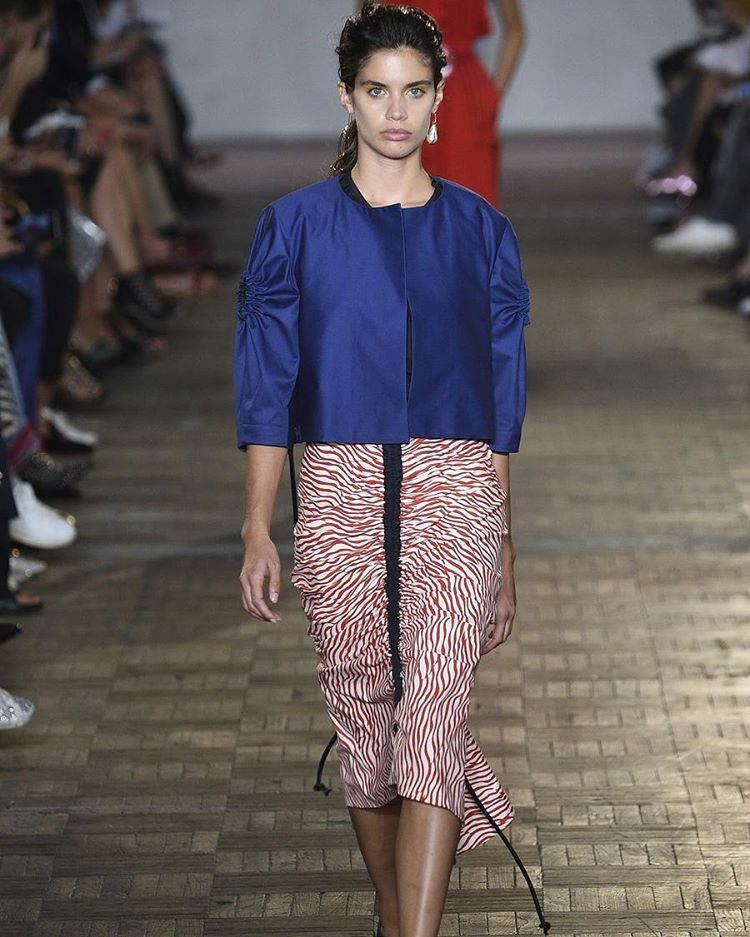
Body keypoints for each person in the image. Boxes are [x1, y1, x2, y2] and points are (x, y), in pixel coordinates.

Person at [235, 5, 542, 937]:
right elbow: (266, 388)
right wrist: (257, 525)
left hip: (457, 484)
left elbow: (501, 405)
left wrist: (504, 544)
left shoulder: (482, 230)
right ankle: (393, 908)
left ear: (441, 98)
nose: (396, 112)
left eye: (414, 91)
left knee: (436, 711)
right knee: (364, 722)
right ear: (348, 97)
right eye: (377, 91)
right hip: (337, 483)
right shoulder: (292, 227)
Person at [363, 0, 526, 206]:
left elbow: (515, 29)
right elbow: (364, 33)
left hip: (461, 96)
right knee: (394, 198)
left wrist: (491, 97)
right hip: (399, 90)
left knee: (467, 200)